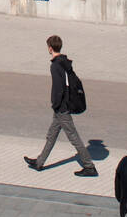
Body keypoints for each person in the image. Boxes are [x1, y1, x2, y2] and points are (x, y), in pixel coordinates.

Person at [24, 35, 97, 177]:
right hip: (62, 107)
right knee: (51, 135)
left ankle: (89, 166)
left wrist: (55, 104)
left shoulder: (55, 65)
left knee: (73, 137)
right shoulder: (64, 62)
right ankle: (39, 162)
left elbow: (59, 88)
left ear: (50, 48)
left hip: (61, 108)